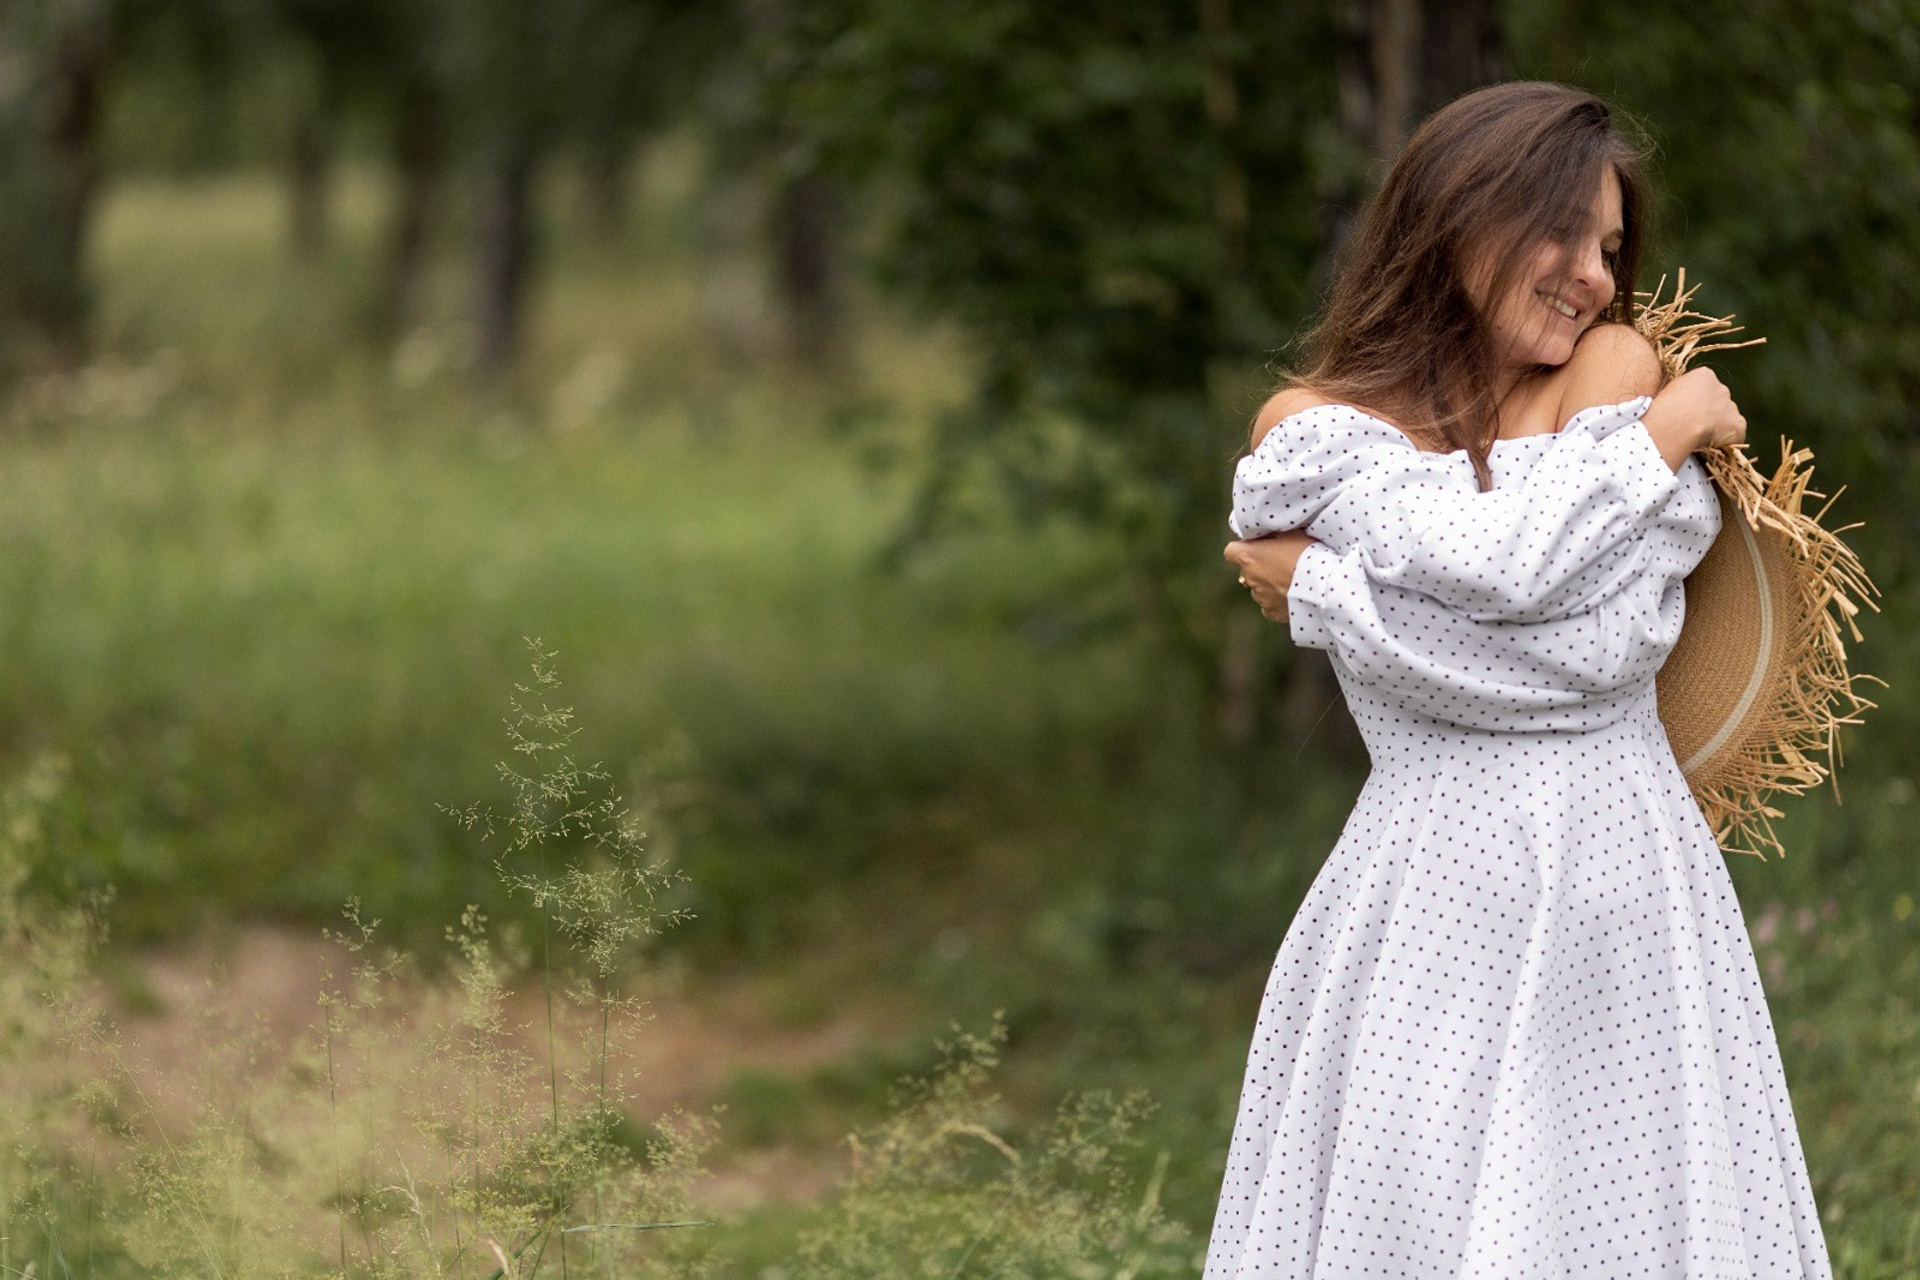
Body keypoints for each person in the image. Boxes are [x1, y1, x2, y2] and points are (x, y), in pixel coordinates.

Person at [1208, 82, 1834, 1278]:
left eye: (1610, 247)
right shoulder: (1318, 420)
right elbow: (1504, 570)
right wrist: (1650, 449)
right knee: (1425, 1218)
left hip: (1628, 889)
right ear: (1456, 219)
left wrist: (1334, 590)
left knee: (1636, 1224)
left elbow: (1589, 659)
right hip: (1433, 894)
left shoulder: (1611, 366)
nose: (1595, 275)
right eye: (1564, 235)